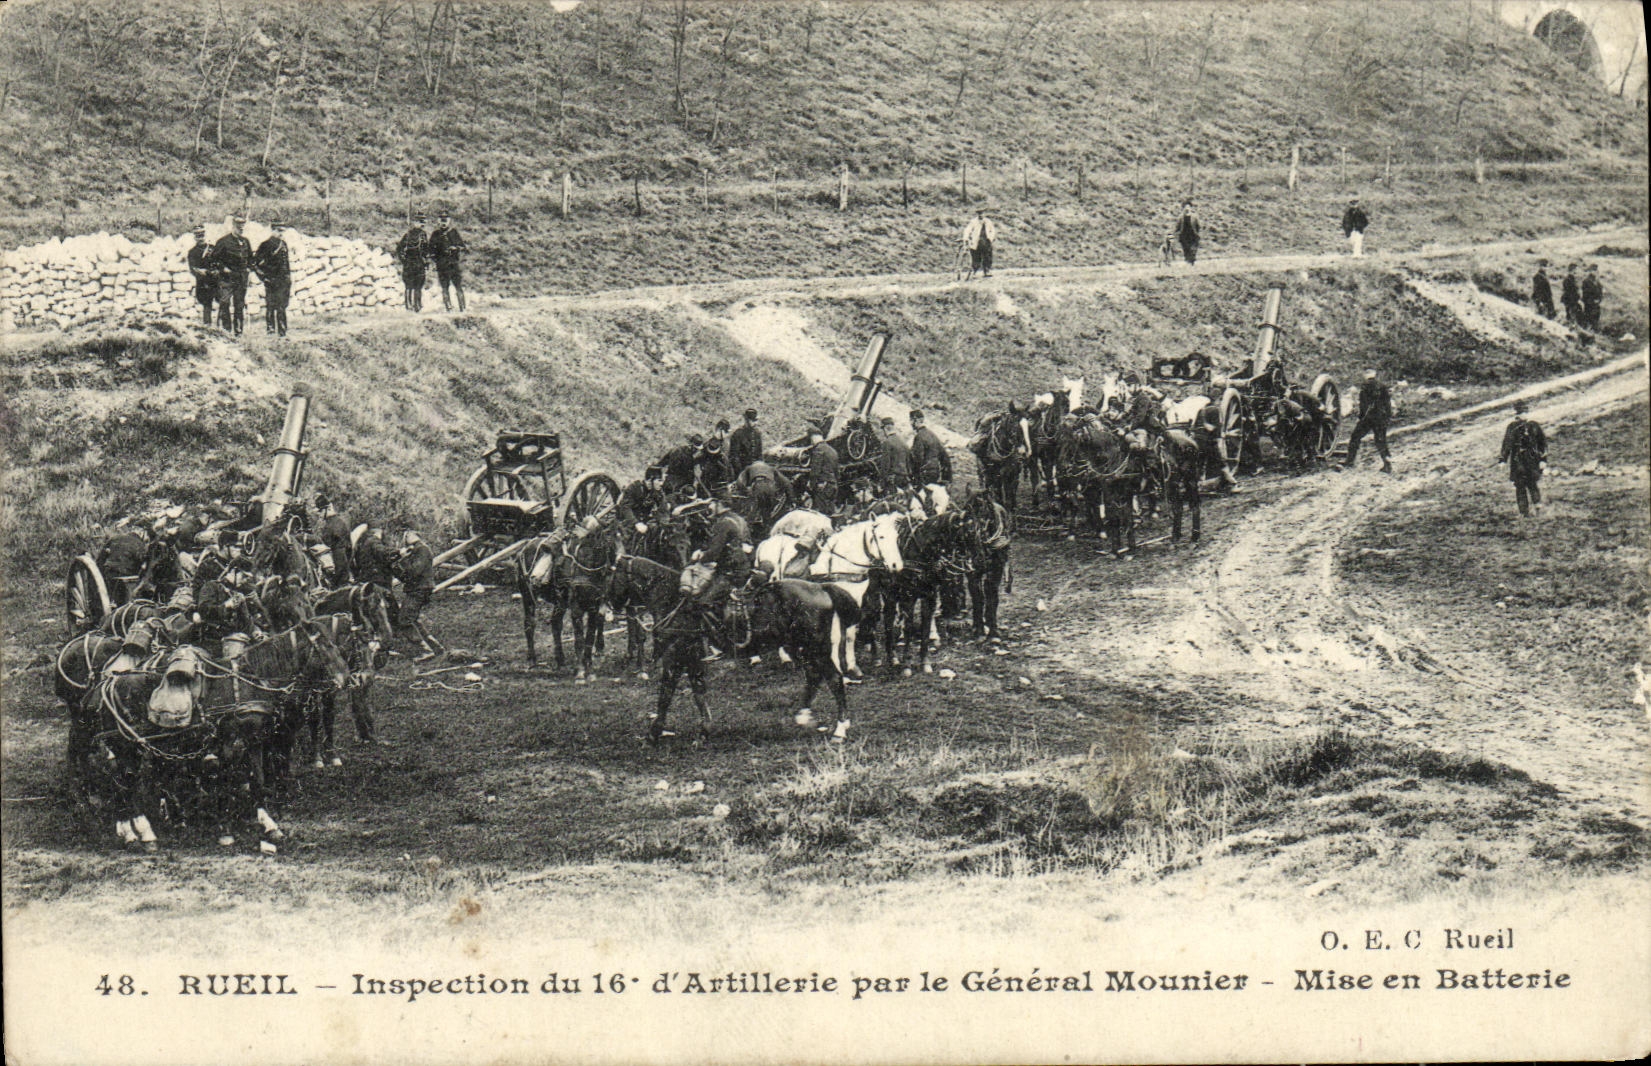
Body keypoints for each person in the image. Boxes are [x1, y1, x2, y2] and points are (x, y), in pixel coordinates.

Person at [689, 497, 752, 656]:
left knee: (703, 603)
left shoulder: (722, 523)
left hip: (730, 572)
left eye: (710, 503)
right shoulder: (739, 519)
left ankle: (721, 646)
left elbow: (714, 552)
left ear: (719, 504)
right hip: (743, 567)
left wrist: (699, 557)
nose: (708, 507)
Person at [393, 530, 444, 663]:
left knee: (404, 619)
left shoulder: (422, 549)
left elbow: (415, 571)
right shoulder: (415, 550)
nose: (406, 536)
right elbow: (406, 576)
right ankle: (435, 647)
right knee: (413, 619)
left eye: (409, 534)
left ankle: (425, 651)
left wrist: (404, 559)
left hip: (419, 589)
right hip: (417, 589)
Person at [1498, 400, 1547, 517]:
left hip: (1532, 459)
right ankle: (1524, 512)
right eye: (1521, 413)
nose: (1524, 415)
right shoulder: (1512, 427)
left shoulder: (1534, 426)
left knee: (1532, 483)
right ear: (1517, 414)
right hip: (1517, 460)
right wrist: (1503, 459)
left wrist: (1543, 460)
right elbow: (1507, 444)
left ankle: (1538, 507)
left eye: (1525, 412)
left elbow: (1542, 443)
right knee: (1519, 485)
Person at [1341, 369, 1393, 473]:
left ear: (1365, 376)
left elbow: (1363, 405)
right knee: (1381, 440)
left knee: (1355, 437)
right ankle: (1387, 464)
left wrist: (1361, 417)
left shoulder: (1365, 387)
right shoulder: (1382, 386)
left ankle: (1349, 461)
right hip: (1381, 418)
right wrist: (1388, 417)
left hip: (1368, 418)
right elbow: (1388, 404)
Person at [212, 214, 254, 335]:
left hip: (241, 278)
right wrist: (223, 268)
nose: (241, 230)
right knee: (224, 302)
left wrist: (249, 269)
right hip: (227, 279)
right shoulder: (223, 242)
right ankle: (226, 330)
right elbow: (214, 260)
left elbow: (251, 259)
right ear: (233, 226)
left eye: (242, 228)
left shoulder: (246, 242)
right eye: (238, 227)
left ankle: (238, 332)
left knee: (239, 305)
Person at [252, 220, 292, 337]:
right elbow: (255, 263)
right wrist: (263, 277)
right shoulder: (265, 245)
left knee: (282, 306)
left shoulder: (283, 244)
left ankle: (282, 332)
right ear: (272, 230)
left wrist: (288, 278)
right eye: (279, 231)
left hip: (283, 280)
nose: (281, 233)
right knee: (270, 306)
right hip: (271, 280)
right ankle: (270, 330)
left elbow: (286, 263)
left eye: (282, 231)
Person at [730, 459, 793, 533]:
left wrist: (746, 491)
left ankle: (753, 528)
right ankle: (768, 527)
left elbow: (740, 481)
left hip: (757, 484)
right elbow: (786, 483)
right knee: (768, 509)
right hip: (770, 486)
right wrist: (791, 499)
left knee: (756, 509)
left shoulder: (749, 468)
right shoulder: (771, 468)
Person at [1190, 400, 1240, 491]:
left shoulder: (1201, 410)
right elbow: (1214, 428)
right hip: (1209, 441)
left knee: (1201, 463)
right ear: (1218, 401)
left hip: (1198, 441)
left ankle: (1200, 486)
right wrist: (1219, 442)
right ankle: (1231, 485)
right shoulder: (1215, 410)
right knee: (1220, 463)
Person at [617, 467, 668, 550]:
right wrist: (636, 523)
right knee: (625, 542)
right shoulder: (634, 488)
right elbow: (626, 508)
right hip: (627, 521)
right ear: (650, 480)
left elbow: (664, 510)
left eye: (662, 481)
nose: (662, 484)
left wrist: (664, 525)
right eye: (659, 480)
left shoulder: (658, 492)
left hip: (644, 522)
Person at [427, 211, 467, 312]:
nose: (443, 223)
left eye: (445, 221)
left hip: (453, 264)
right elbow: (430, 250)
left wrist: (455, 248)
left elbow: (463, 247)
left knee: (458, 286)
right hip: (442, 265)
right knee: (445, 287)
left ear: (449, 221)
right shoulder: (435, 234)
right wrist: (436, 260)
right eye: (441, 221)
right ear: (438, 222)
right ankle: (448, 308)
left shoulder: (454, 233)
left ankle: (462, 307)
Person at [314, 493, 354, 588]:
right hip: (344, 565)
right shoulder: (338, 522)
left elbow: (328, 545)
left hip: (339, 566)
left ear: (327, 509)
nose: (319, 515)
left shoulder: (331, 525)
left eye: (320, 511)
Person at [908, 408, 952, 488]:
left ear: (916, 420)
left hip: (924, 474)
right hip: (935, 473)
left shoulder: (919, 437)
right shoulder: (933, 435)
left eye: (911, 420)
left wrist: (913, 477)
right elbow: (945, 457)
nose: (910, 423)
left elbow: (917, 459)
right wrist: (947, 478)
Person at [396, 214, 430, 312]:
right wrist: (404, 260)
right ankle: (413, 305)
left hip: (412, 262)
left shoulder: (410, 235)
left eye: (422, 222)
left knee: (413, 285)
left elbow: (399, 249)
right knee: (413, 285)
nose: (421, 224)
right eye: (420, 222)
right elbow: (425, 250)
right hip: (414, 262)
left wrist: (403, 260)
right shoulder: (419, 235)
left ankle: (413, 305)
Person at [187, 226, 218, 327]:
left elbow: (220, 261)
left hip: (216, 279)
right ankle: (207, 326)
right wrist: (201, 272)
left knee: (222, 302)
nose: (200, 238)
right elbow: (192, 269)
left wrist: (217, 270)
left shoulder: (213, 248)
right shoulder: (192, 252)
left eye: (202, 235)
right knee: (207, 304)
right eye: (198, 236)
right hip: (203, 282)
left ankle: (221, 326)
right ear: (195, 237)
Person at [807, 422, 841, 512]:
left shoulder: (818, 450)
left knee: (822, 513)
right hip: (833, 485)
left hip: (823, 486)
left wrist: (811, 485)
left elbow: (815, 470)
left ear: (813, 438)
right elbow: (837, 471)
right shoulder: (832, 450)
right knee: (831, 512)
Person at [697, 419, 734, 496]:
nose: (727, 435)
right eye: (726, 432)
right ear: (720, 430)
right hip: (709, 482)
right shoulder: (708, 444)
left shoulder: (725, 444)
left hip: (721, 482)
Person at [876, 415, 910, 494]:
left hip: (893, 480)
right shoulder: (903, 441)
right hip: (904, 477)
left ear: (885, 428)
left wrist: (882, 483)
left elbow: (885, 465)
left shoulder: (887, 442)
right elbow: (908, 460)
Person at [961, 208, 997, 280]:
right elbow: (967, 230)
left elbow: (992, 230)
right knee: (976, 257)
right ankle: (975, 272)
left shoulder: (988, 221)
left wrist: (990, 238)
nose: (981, 215)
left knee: (987, 256)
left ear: (984, 214)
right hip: (976, 242)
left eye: (982, 213)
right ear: (977, 214)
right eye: (979, 213)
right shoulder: (973, 222)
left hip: (986, 241)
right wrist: (966, 238)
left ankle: (987, 271)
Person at [729, 408, 763, 475]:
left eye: (756, 421)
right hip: (742, 470)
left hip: (755, 470)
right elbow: (734, 456)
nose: (755, 423)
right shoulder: (738, 434)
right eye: (752, 421)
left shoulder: (757, 434)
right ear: (746, 420)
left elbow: (759, 454)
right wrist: (742, 472)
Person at [1174, 200, 1201, 265]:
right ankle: (1188, 260)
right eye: (1185, 207)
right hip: (1184, 235)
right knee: (1186, 248)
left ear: (1191, 208)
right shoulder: (1181, 217)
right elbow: (1177, 226)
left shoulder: (1195, 216)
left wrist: (1197, 233)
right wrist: (1176, 232)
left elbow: (1198, 225)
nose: (1187, 209)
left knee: (1193, 249)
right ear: (1183, 208)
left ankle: (1192, 260)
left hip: (1193, 235)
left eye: (1188, 207)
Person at [1580, 264, 1603, 332]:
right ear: (1590, 271)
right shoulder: (1586, 281)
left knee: (1596, 319)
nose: (1596, 272)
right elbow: (1585, 295)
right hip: (1589, 306)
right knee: (1589, 320)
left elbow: (1600, 292)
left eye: (1596, 270)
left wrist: (1599, 300)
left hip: (1596, 305)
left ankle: (1595, 331)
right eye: (1594, 270)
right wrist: (1592, 301)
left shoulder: (1597, 282)